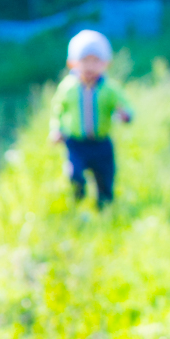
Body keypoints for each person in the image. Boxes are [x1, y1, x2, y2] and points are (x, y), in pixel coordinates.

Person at [49, 29, 132, 208]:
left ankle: (104, 208)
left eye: (96, 61)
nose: (90, 66)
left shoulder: (109, 89)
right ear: (72, 63)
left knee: (105, 177)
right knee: (74, 174)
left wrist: (125, 115)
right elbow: (58, 111)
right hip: (76, 143)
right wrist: (56, 130)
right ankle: (77, 201)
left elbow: (123, 107)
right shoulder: (68, 88)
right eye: (85, 61)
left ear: (105, 63)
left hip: (101, 143)